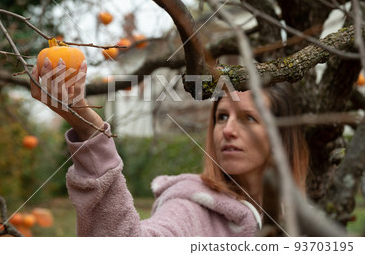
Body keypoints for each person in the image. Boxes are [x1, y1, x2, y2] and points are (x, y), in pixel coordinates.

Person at [30, 57, 309, 237]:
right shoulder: (191, 207)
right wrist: (89, 129)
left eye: (248, 118)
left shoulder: (299, 219)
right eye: (222, 116)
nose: (228, 130)